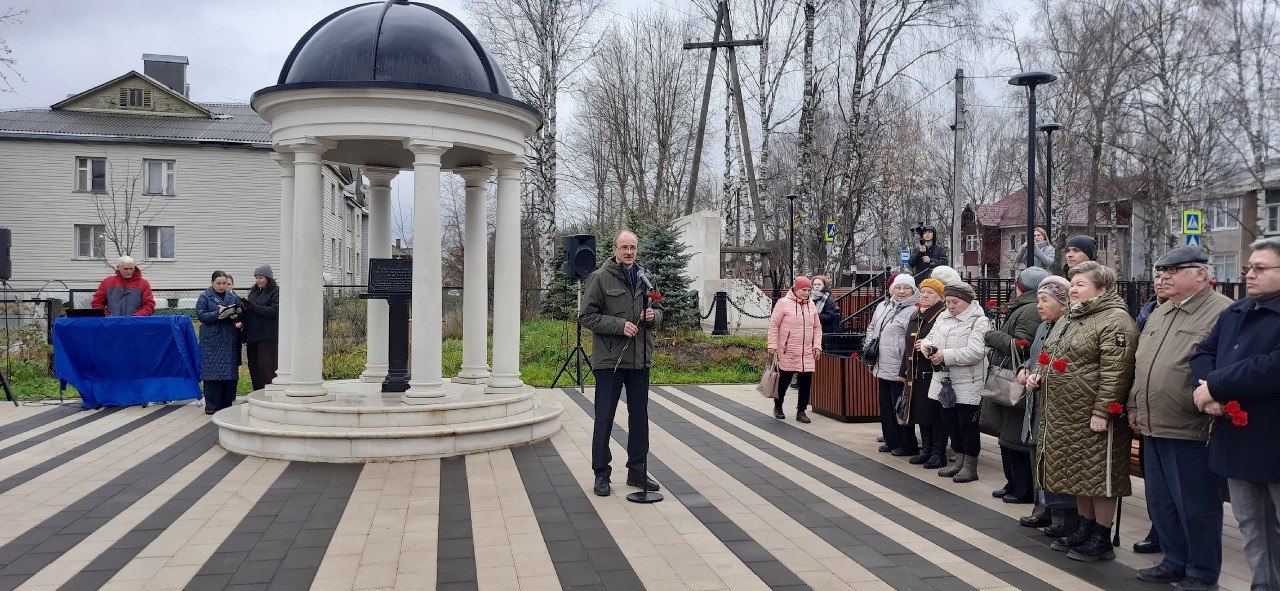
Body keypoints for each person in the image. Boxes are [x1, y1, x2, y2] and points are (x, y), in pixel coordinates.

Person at [1128, 246, 1233, 591]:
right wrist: (1133, 406)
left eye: (1174, 270)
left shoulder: (1223, 313)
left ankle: (1202, 574)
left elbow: (1223, 370)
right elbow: (1142, 364)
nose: (1163, 277)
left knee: (1197, 508)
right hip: (1153, 424)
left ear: (1201, 274)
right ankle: (1174, 561)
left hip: (1192, 428)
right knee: (1161, 503)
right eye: (1160, 271)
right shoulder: (1162, 311)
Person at [1027, 261, 1137, 562]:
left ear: (1101, 289)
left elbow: (1117, 372)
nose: (1072, 289)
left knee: (1099, 477)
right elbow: (1049, 351)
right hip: (1065, 413)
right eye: (1072, 284)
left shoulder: (1115, 320)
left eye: (1080, 285)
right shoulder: (1071, 317)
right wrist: (1038, 372)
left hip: (1094, 415)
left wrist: (1103, 411)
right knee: (1078, 475)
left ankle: (1102, 536)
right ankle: (1084, 529)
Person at [1191, 237, 1280, 590]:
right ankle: (1263, 584)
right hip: (1236, 437)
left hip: (1273, 437)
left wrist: (1215, 385)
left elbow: (1271, 367)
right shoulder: (1236, 311)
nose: (1250, 275)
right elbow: (1203, 352)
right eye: (1249, 268)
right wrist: (1209, 395)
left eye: (1261, 268)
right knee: (1249, 522)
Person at [580, 230, 664, 497]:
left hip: (640, 360)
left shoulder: (645, 278)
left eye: (633, 247)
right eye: (624, 247)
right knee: (604, 417)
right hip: (610, 361)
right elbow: (587, 316)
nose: (629, 252)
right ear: (615, 249)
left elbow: (660, 310)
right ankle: (601, 474)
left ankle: (637, 471)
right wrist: (619, 325)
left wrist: (652, 316)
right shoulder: (599, 278)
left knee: (640, 418)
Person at [1016, 276, 1079, 537]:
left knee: (1053, 459)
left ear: (1063, 304)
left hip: (1055, 404)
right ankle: (1040, 507)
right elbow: (1034, 357)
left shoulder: (1067, 327)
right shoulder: (1044, 327)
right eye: (1039, 300)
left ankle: (1060, 516)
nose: (1039, 306)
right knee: (1036, 456)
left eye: (1045, 301)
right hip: (1036, 401)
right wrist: (1024, 370)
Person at [983, 266, 1050, 504]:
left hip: (1018, 381)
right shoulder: (1025, 307)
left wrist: (991, 336)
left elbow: (1022, 345)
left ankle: (1022, 488)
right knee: (1007, 436)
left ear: (1020, 285)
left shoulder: (1030, 309)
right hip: (1012, 378)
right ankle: (1013, 483)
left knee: (1014, 438)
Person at [922, 282, 990, 483]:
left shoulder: (979, 321)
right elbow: (929, 337)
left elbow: (977, 351)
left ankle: (970, 466)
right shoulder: (943, 316)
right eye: (948, 301)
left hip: (968, 382)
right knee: (950, 422)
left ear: (968, 302)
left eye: (955, 302)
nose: (951, 306)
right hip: (945, 381)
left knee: (966, 425)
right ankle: (958, 461)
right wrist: (929, 348)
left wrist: (945, 355)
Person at [868, 274, 920, 456]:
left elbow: (912, 339)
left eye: (906, 288)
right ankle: (891, 440)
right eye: (898, 288)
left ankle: (907, 444)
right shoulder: (883, 306)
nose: (902, 291)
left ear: (913, 290)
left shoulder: (914, 310)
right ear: (892, 289)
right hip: (882, 363)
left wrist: (905, 364)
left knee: (900, 406)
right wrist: (869, 347)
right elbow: (872, 327)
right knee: (886, 405)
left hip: (899, 366)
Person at [901, 278, 949, 469]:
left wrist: (930, 346)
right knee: (920, 413)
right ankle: (927, 449)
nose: (925, 295)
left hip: (932, 372)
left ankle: (938, 453)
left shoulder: (941, 316)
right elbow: (907, 347)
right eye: (923, 292)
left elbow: (945, 341)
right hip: (915, 372)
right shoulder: (916, 314)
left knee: (934, 415)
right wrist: (903, 370)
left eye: (931, 293)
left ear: (939, 297)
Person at [767, 275, 823, 423]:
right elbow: (774, 325)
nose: (806, 293)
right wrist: (772, 345)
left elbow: (817, 327)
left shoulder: (811, 304)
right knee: (784, 381)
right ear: (796, 289)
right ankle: (778, 406)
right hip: (788, 349)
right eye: (804, 290)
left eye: (809, 290)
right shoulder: (783, 303)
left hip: (807, 351)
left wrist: (817, 345)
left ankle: (801, 411)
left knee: (806, 382)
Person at [197, 271, 242, 415]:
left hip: (228, 339)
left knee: (228, 373)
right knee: (212, 373)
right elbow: (201, 315)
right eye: (219, 283)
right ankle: (212, 405)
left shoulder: (232, 296)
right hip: (211, 341)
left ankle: (226, 403)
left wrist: (236, 314)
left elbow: (240, 309)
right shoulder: (205, 296)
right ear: (212, 283)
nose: (222, 286)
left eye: (224, 283)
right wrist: (218, 313)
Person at [242, 264, 280, 391]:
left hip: (267, 337)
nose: (258, 280)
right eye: (256, 277)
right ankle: (257, 393)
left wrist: (254, 308)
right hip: (252, 336)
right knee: (254, 368)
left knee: (267, 368)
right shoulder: (254, 292)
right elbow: (249, 310)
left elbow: (275, 311)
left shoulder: (276, 292)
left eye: (261, 277)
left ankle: (269, 393)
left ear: (268, 278)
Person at [90, 255, 155, 316]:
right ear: (118, 267)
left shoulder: (143, 284)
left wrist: (135, 317)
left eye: (131, 268)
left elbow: (149, 305)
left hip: (136, 323)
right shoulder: (107, 282)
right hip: (112, 324)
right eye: (125, 269)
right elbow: (97, 303)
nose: (129, 271)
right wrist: (108, 316)